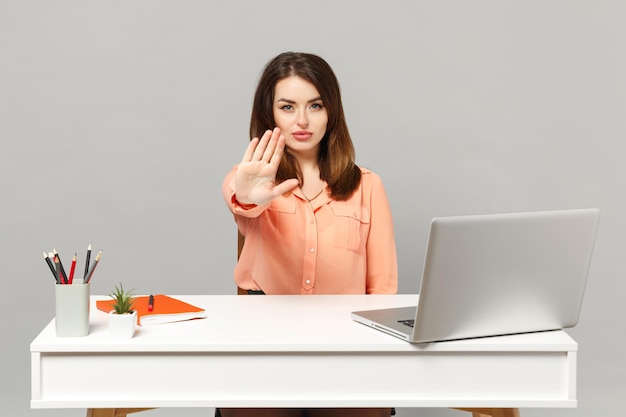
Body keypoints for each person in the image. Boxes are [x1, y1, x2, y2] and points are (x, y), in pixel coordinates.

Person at [221, 52, 398, 417]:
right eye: (287, 107)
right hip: (264, 344)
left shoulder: (368, 186)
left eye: (315, 105)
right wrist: (249, 195)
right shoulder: (249, 178)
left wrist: (371, 362)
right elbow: (240, 200)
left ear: (331, 111)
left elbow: (382, 291)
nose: (302, 120)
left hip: (345, 347)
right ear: (269, 114)